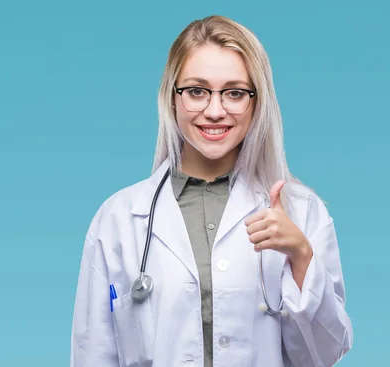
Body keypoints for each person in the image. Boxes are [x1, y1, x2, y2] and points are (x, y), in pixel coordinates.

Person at [69, 15, 353, 367]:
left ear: (257, 102)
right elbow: (92, 355)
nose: (215, 111)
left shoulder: (302, 212)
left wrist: (300, 256)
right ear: (172, 98)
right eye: (197, 91)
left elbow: (323, 354)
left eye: (234, 93)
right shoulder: (118, 219)